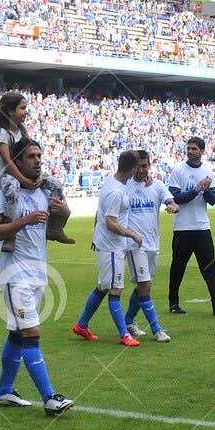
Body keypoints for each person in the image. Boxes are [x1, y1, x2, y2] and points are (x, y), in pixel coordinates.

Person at [0, 137, 75, 415]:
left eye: (39, 156)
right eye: (31, 157)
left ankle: (3, 391)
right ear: (18, 162)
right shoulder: (4, 194)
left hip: (38, 273)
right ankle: (49, 398)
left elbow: (52, 229)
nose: (37, 161)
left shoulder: (44, 193)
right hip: (16, 275)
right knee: (31, 333)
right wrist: (23, 221)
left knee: (16, 333)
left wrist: (66, 213)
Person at [72, 149, 144, 347]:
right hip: (112, 246)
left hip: (107, 243)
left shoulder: (112, 182)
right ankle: (124, 335)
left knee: (103, 287)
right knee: (115, 289)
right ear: (133, 168)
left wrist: (96, 234)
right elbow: (111, 222)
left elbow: (99, 212)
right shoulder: (115, 192)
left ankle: (82, 324)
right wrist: (132, 234)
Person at [0, 91, 74, 245]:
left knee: (55, 184)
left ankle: (55, 226)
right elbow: (8, 162)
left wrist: (39, 177)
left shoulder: (21, 131)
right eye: (22, 108)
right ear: (10, 111)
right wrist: (24, 180)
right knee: (12, 189)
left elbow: (29, 152)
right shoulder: (2, 133)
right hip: (5, 175)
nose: (25, 112)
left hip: (20, 172)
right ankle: (9, 234)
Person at [166, 136, 215, 316]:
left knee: (210, 267)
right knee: (178, 266)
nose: (190, 152)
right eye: (188, 148)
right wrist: (196, 189)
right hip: (183, 227)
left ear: (202, 151)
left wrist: (206, 189)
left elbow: (212, 201)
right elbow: (176, 199)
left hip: (202, 227)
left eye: (194, 149)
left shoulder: (208, 171)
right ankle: (173, 303)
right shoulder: (178, 171)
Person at [123, 150, 176, 341]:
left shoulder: (157, 186)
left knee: (144, 286)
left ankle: (128, 320)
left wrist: (172, 206)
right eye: (137, 166)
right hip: (134, 244)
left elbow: (172, 202)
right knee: (144, 285)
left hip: (153, 244)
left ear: (149, 166)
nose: (141, 170)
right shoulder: (125, 186)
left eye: (144, 166)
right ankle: (157, 330)